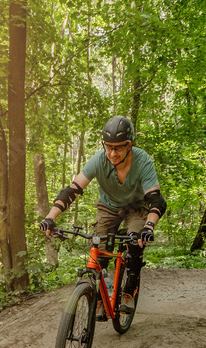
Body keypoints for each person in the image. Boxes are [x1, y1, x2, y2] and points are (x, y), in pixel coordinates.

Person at [39, 116, 167, 314]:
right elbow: (72, 190)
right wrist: (50, 217)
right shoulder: (99, 160)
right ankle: (99, 294)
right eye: (108, 147)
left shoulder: (143, 161)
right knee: (98, 251)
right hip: (109, 207)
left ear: (129, 145)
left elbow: (156, 199)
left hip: (137, 207)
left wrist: (149, 227)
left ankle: (129, 289)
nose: (112, 153)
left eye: (118, 148)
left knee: (135, 243)